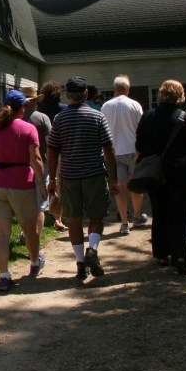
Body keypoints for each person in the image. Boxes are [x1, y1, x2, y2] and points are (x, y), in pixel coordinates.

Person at [46, 76, 118, 280]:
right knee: (97, 216)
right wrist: (114, 178)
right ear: (86, 94)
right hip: (94, 174)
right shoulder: (97, 116)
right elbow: (109, 148)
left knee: (74, 219)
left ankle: (80, 263)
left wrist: (52, 179)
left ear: (68, 96)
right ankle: (92, 250)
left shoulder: (59, 119)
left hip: (69, 176)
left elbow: (52, 151)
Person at [0, 90, 46, 292]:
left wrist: (1, 157)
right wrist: (42, 183)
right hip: (21, 182)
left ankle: (3, 275)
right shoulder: (28, 128)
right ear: (22, 109)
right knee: (30, 229)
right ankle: (35, 263)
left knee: (1, 233)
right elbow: (36, 159)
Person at [135, 80, 186, 275]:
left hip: (157, 174)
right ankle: (180, 254)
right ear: (180, 96)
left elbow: (139, 148)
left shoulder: (148, 117)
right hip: (182, 172)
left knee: (160, 212)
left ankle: (162, 254)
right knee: (181, 215)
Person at [101, 75, 147, 234]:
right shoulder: (135, 105)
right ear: (128, 89)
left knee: (119, 187)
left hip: (113, 151)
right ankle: (136, 215)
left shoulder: (106, 106)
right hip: (133, 150)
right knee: (135, 185)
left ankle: (124, 221)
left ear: (114, 89)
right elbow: (142, 130)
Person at [37, 81, 68, 230]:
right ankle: (58, 217)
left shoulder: (39, 111)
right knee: (58, 183)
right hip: (60, 151)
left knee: (44, 181)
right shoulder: (65, 110)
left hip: (41, 152)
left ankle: (43, 210)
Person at [22, 86, 52, 241]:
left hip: (19, 165)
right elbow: (50, 142)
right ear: (34, 101)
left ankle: (27, 234)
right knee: (40, 205)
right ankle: (34, 238)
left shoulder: (15, 119)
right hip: (40, 162)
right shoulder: (42, 118)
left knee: (24, 203)